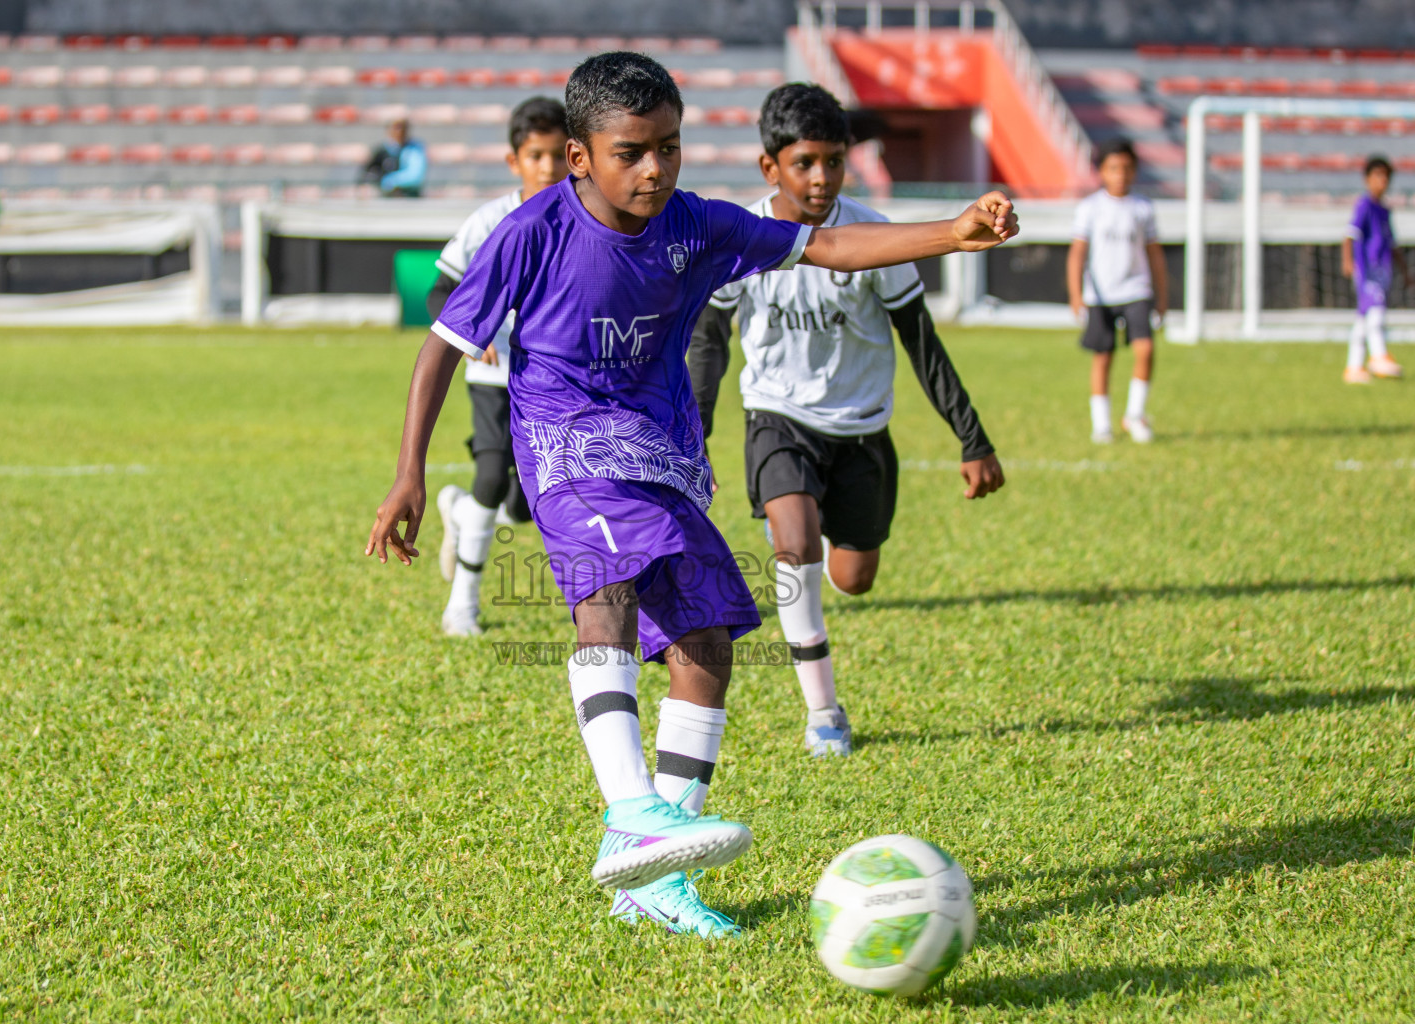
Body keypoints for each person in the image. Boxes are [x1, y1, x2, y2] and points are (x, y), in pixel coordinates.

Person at [364, 51, 1017, 939]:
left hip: (659, 452)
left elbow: (824, 245)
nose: (655, 169)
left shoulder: (696, 225)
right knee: (609, 599)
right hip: (563, 447)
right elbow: (444, 343)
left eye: (669, 147)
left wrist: (952, 231)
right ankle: (633, 811)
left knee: (706, 639)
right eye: (632, 152)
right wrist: (408, 471)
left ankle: (657, 881)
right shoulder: (532, 232)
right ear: (579, 158)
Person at [687, 83, 1004, 759]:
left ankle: (834, 548)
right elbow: (709, 342)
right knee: (792, 545)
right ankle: (823, 710)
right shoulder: (741, 237)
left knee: (855, 577)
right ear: (771, 166)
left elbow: (920, 340)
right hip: (777, 416)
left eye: (834, 160)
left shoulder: (874, 234)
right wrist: (695, 438)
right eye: (805, 162)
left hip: (862, 428)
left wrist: (972, 437)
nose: (822, 177)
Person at [427, 97, 569, 637]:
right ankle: (462, 605)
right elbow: (441, 291)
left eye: (558, 155)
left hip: (557, 383)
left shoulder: (588, 217)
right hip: (494, 376)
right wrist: (472, 334)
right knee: (490, 473)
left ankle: (464, 513)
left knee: (532, 503)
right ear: (515, 161)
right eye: (536, 155)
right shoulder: (490, 221)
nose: (548, 167)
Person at [1066, 137, 1166, 444]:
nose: (1120, 174)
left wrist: (1162, 298)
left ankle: (1134, 413)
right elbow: (1078, 254)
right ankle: (1101, 424)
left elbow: (1154, 255)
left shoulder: (1143, 208)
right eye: (1113, 168)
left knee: (1145, 349)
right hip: (1101, 294)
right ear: (1102, 171)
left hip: (1136, 290)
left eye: (1126, 168)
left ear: (1134, 171)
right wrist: (1076, 294)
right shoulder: (1090, 208)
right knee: (1103, 357)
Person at [1342, 156, 1406, 383]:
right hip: (1366, 268)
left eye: (1386, 176)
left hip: (1382, 269)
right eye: (1377, 175)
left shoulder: (1384, 210)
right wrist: (1348, 261)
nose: (1382, 181)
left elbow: (1392, 244)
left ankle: (1353, 368)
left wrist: (1406, 271)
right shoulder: (1364, 205)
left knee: (1363, 319)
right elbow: (1350, 235)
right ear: (1367, 179)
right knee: (1376, 312)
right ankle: (1378, 355)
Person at [361, 119, 427, 197]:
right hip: (384, 196)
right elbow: (369, 173)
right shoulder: (381, 151)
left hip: (408, 196)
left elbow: (415, 177)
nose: (399, 131)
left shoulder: (414, 149)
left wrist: (390, 182)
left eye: (402, 127)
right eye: (396, 127)